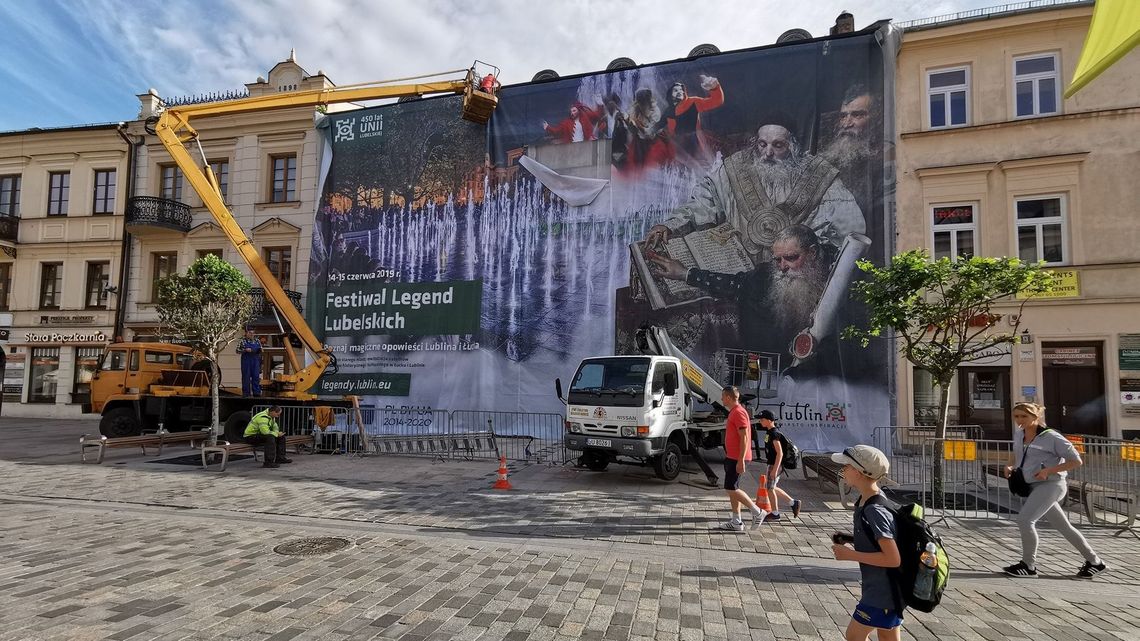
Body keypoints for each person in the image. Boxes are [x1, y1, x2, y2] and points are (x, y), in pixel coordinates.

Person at [646, 123, 863, 263]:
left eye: (778, 145)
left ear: (793, 147)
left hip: (801, 276)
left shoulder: (820, 176)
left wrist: (818, 259)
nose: (768, 153)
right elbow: (703, 203)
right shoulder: (733, 170)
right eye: (762, 144)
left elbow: (850, 233)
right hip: (744, 277)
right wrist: (671, 225)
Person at [647, 224, 833, 353]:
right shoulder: (767, 274)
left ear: (812, 253)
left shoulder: (837, 272)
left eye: (791, 257)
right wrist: (685, 273)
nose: (782, 267)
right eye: (777, 259)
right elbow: (733, 284)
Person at [1000, 402, 1108, 579]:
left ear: (1036, 417)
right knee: (1064, 527)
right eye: (1016, 416)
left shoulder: (1052, 437)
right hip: (1032, 485)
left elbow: (1076, 461)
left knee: (1025, 520)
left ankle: (1028, 565)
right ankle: (1095, 562)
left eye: (1024, 416)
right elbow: (1018, 455)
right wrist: (1010, 465)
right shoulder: (1019, 434)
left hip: (1051, 485)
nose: (1019, 420)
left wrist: (1048, 470)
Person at [830, 445, 903, 641]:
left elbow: (892, 558)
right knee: (888, 637)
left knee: (854, 636)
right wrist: (850, 539)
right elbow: (877, 541)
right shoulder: (868, 499)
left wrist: (849, 555)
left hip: (883, 592)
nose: (843, 470)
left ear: (859, 472)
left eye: (846, 466)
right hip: (884, 589)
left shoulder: (874, 510)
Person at [821, 85, 881, 217]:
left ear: (876, 119)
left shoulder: (883, 164)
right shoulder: (826, 161)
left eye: (857, 115)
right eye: (843, 116)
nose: (847, 123)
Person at [716, 386, 767, 531]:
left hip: (737, 457)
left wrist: (740, 460)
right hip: (732, 456)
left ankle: (757, 512)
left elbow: (744, 437)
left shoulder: (738, 412)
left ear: (728, 398)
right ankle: (736, 521)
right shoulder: (735, 412)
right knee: (733, 488)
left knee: (731, 488)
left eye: (723, 396)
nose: (721, 399)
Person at [663, 75, 724, 167]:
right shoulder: (667, 112)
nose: (680, 92)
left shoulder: (692, 102)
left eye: (681, 90)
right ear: (670, 94)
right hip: (678, 156)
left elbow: (717, 101)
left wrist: (715, 88)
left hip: (696, 149)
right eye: (676, 90)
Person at [758, 409, 802, 522]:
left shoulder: (774, 433)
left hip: (774, 465)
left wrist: (775, 470)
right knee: (771, 487)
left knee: (770, 488)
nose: (760, 421)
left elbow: (780, 453)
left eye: (762, 419)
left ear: (769, 420)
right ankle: (793, 503)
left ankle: (775, 513)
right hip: (772, 464)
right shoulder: (769, 432)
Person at [235, 328, 262, 396]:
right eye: (250, 333)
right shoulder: (242, 341)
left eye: (253, 333)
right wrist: (245, 350)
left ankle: (256, 393)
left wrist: (258, 351)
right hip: (246, 362)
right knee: (246, 377)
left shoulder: (257, 341)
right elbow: (237, 350)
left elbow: (261, 350)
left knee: (256, 377)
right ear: (246, 333)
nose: (251, 334)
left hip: (255, 361)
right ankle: (246, 393)